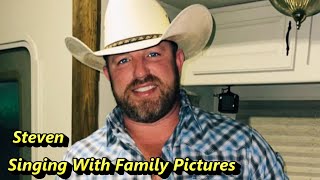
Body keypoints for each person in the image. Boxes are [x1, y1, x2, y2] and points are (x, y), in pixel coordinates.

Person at [61, 0, 288, 179]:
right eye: (123, 61)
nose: (140, 73)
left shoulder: (245, 149)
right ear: (108, 74)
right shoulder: (78, 164)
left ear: (178, 61)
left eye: (153, 54)